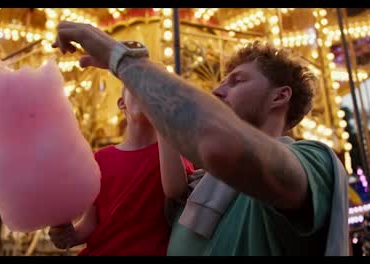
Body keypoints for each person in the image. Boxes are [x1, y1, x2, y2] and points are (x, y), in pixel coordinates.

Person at [52, 21, 349, 256]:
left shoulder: (314, 161)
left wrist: (126, 62)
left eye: (238, 80)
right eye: (221, 82)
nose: (218, 91)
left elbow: (222, 146)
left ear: (280, 96)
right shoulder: (204, 184)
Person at [48, 86, 194, 256]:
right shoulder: (100, 159)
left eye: (155, 88)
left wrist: (163, 119)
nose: (147, 92)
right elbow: (90, 223)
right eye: (137, 85)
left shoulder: (172, 156)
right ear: (122, 103)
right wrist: (70, 235)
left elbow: (177, 190)